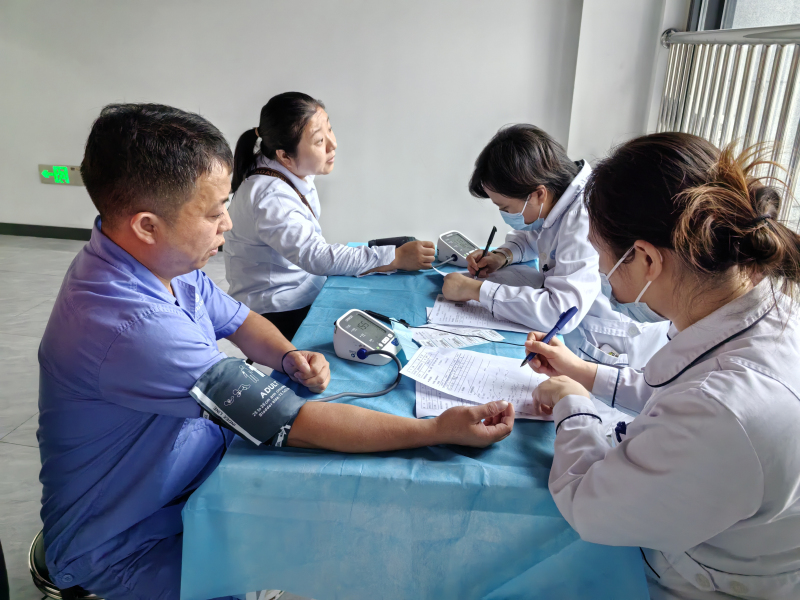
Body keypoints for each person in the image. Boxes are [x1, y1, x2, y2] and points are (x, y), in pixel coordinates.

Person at [37, 103, 514, 600]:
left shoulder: (160, 265)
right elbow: (292, 420)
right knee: (337, 539)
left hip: (189, 476)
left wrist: (289, 356)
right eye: (214, 212)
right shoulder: (134, 327)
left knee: (331, 519)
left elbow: (237, 320)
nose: (228, 223)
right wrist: (435, 430)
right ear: (147, 225)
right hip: (131, 540)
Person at [526, 132, 800, 599]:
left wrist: (572, 404)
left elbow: (593, 508)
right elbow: (677, 390)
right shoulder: (764, 309)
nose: (600, 270)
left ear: (647, 258)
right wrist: (581, 372)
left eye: (601, 255)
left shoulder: (723, 411)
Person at [441, 124, 669, 369]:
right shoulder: (558, 197)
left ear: (538, 194)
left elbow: (560, 311)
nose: (504, 214)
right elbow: (536, 235)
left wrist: (476, 290)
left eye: (505, 208)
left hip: (609, 342)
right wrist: (503, 255)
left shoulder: (583, 218)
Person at [224, 92, 436, 340]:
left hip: (303, 288)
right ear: (284, 155)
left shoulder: (287, 169)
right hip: (278, 310)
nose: (332, 144)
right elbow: (317, 257)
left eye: (330, 130)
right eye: (319, 140)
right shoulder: (272, 197)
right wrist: (395, 257)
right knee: (382, 325)